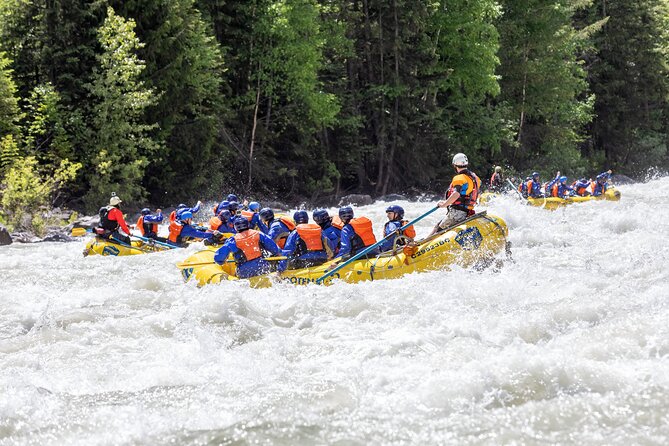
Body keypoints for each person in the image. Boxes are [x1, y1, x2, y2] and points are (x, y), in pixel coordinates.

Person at [213, 217, 284, 279]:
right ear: (247, 224)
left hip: (244, 271)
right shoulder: (258, 234)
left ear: (235, 227)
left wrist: (221, 261)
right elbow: (274, 249)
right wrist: (278, 254)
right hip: (262, 266)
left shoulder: (233, 240)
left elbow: (219, 257)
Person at [430, 153, 481, 235]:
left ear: (454, 165)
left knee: (437, 231)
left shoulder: (459, 178)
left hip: (457, 212)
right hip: (467, 211)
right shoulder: (474, 177)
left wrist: (444, 204)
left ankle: (422, 246)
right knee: (438, 225)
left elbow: (456, 194)